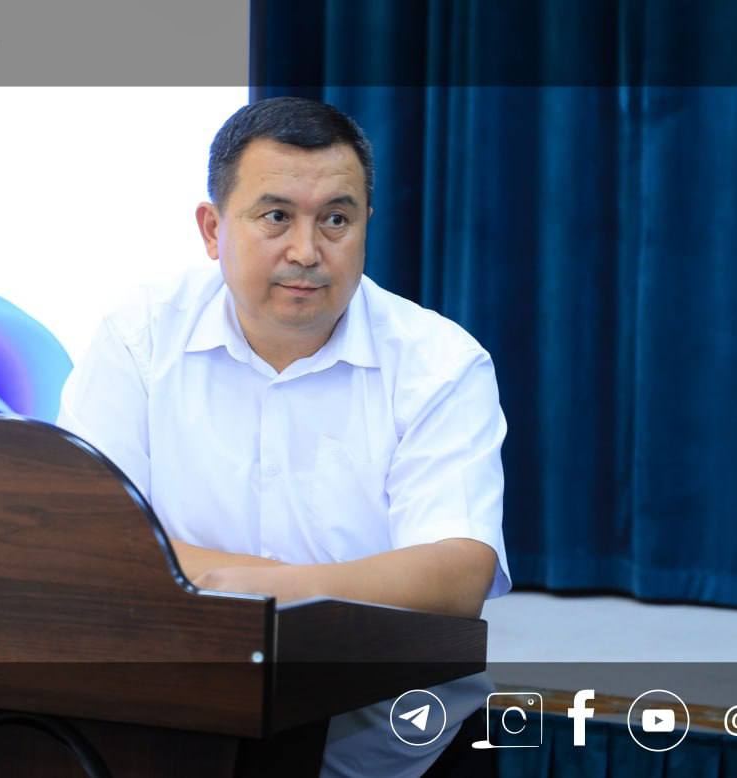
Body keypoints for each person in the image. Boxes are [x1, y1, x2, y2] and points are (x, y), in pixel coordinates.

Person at [57, 96, 509, 777]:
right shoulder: (140, 335)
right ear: (213, 229)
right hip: (187, 732)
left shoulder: (441, 362)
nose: (307, 251)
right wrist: (286, 593)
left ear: (366, 224)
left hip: (402, 749)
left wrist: (256, 589)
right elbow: (91, 544)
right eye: (276, 217)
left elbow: (455, 575)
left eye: (336, 220)